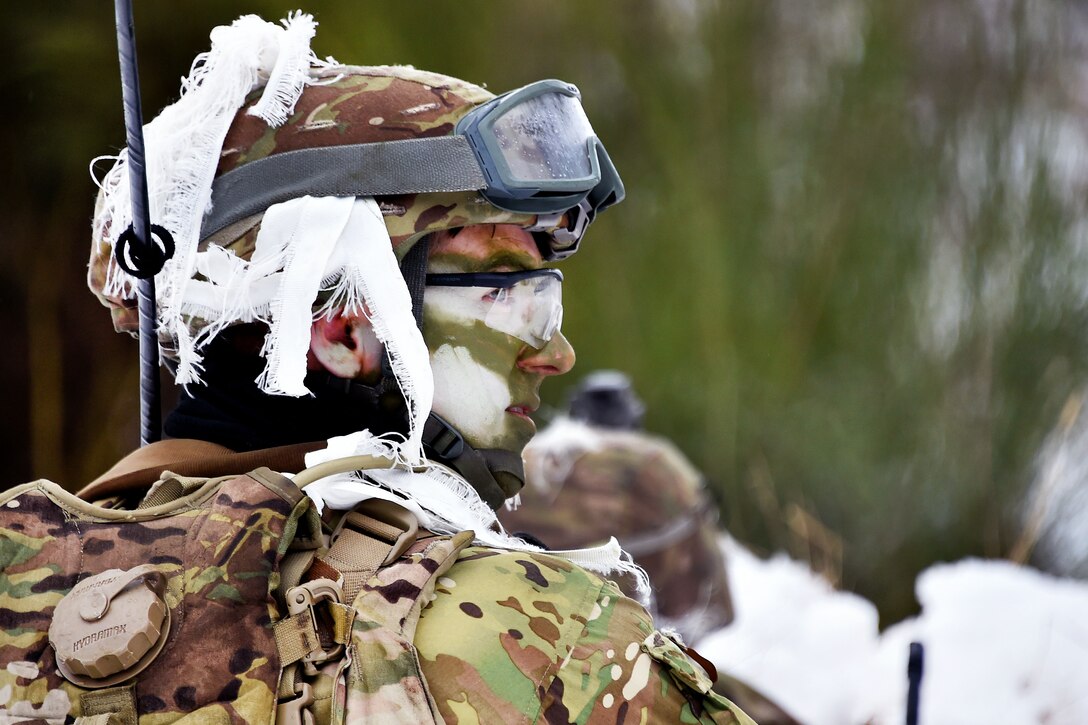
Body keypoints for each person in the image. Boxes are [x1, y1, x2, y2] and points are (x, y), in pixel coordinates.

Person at [0, 13, 754, 724]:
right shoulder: (550, 646)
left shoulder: (19, 591)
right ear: (340, 328)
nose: (556, 353)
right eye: (509, 296)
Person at [501, 370, 735, 644]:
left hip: (517, 623)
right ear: (633, 417)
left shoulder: (526, 455)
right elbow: (707, 593)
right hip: (620, 640)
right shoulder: (655, 462)